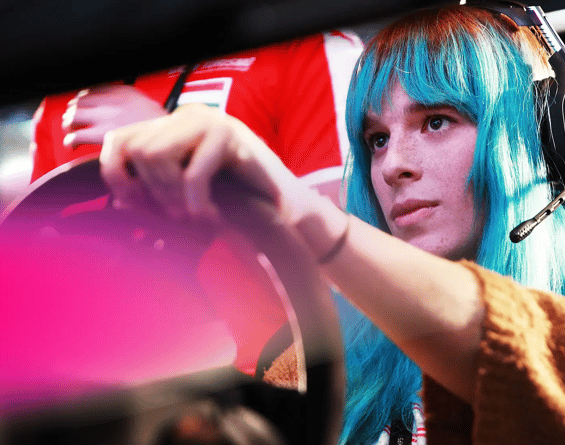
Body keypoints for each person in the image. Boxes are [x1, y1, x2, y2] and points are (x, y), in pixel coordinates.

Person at [97, 5, 565, 445]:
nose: (394, 165)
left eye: (436, 121)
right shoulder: (315, 365)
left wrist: (305, 217)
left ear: (544, 141)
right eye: (375, 138)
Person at [28, 30, 364, 375]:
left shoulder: (306, 48)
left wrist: (183, 149)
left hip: (280, 394)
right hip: (110, 404)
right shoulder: (62, 101)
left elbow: (359, 279)